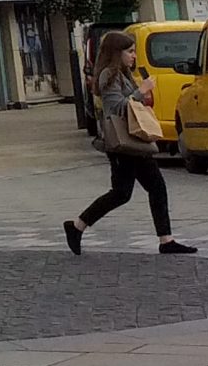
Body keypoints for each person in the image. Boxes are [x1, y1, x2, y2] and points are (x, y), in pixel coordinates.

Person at [66, 29, 198, 256]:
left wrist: (141, 95)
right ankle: (77, 225)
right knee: (124, 192)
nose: (134, 56)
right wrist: (140, 91)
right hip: (123, 143)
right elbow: (117, 107)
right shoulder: (109, 75)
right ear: (116, 53)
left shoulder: (122, 73)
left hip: (133, 141)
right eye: (129, 51)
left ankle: (166, 240)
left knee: (148, 188)